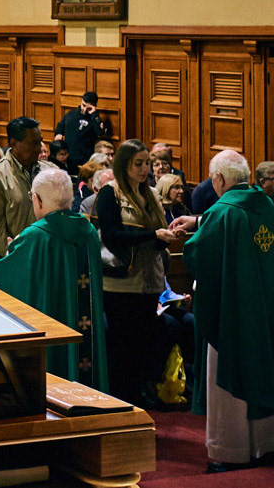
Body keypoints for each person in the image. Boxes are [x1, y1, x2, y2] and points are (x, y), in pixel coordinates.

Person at [175, 150, 274, 473]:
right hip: (267, 312)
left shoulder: (223, 212)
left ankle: (230, 452)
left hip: (233, 316)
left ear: (218, 179)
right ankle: (267, 445)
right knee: (267, 372)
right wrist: (200, 220)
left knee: (228, 383)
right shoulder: (264, 205)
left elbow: (196, 254)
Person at [0, 168, 108, 390]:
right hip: (85, 325)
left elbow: (2, 277)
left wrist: (11, 252)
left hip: (52, 322)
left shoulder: (35, 236)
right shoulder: (88, 231)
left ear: (38, 199)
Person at [96, 139, 179, 405]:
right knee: (123, 350)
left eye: (148, 163)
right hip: (121, 284)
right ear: (124, 164)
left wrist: (166, 237)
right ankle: (120, 403)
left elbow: (155, 235)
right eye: (139, 164)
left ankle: (138, 400)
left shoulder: (153, 194)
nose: (145, 169)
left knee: (145, 347)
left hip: (149, 281)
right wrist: (151, 235)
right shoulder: (111, 193)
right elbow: (111, 235)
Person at [0, 116, 55, 256]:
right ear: (14, 143)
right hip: (15, 257)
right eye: (33, 143)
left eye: (40, 142)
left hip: (49, 253)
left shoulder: (50, 172)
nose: (39, 149)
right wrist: (16, 255)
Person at [54, 92, 111, 170]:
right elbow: (60, 128)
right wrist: (59, 134)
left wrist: (94, 114)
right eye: (83, 105)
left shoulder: (95, 119)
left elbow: (100, 132)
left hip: (85, 159)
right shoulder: (71, 114)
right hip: (68, 157)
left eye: (88, 108)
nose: (84, 110)